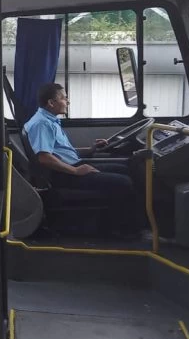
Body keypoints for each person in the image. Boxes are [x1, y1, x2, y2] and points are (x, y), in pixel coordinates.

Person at [24, 83, 143, 235]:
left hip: (70, 167)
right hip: (63, 174)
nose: (68, 101)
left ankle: (127, 223)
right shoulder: (42, 124)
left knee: (126, 169)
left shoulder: (49, 120)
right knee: (124, 182)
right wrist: (76, 171)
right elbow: (44, 158)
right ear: (51, 103)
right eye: (64, 98)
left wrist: (91, 150)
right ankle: (123, 231)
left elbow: (62, 152)